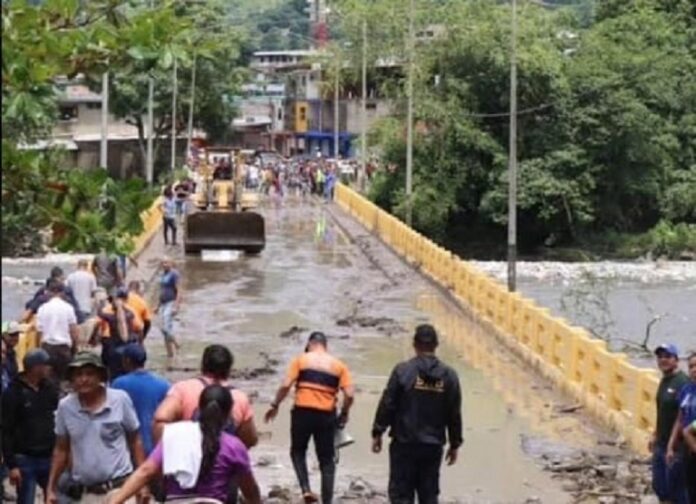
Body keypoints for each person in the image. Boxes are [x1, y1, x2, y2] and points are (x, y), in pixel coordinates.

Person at [109, 385, 263, 504]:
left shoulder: (176, 436)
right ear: (229, 413)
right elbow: (250, 490)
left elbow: (146, 471)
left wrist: (117, 500)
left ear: (199, 409)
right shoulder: (234, 446)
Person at [371, 324, 463, 504]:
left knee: (400, 495)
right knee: (429, 496)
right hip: (432, 446)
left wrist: (378, 432)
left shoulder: (402, 371)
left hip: (404, 444)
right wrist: (454, 444)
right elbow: (454, 413)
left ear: (415, 344)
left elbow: (388, 404)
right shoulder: (449, 376)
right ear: (436, 345)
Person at [264, 332, 354, 504]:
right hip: (326, 415)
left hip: (302, 413)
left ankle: (306, 490)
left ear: (309, 344)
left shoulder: (301, 360)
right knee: (327, 460)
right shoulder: (339, 366)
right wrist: (344, 413)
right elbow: (349, 395)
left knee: (297, 451)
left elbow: (285, 385)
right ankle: (327, 501)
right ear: (325, 346)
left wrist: (275, 405)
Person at [46, 352, 146, 504]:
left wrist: (142, 482)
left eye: (89, 374)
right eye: (78, 375)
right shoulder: (66, 407)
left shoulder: (119, 400)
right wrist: (51, 488)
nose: (84, 379)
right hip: (87, 493)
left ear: (100, 377)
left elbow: (135, 440)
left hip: (121, 488)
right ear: (72, 379)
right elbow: (61, 449)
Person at [153, 344, 258, 449]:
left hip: (189, 459)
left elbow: (160, 419)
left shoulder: (183, 389)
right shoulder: (240, 398)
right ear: (229, 369)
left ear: (203, 365)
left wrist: (168, 453)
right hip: (224, 461)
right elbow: (250, 440)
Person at [2, 349, 59, 504]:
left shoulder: (49, 389)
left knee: (55, 497)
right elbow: (6, 430)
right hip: (25, 459)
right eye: (46, 365)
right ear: (35, 367)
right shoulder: (13, 393)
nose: (49, 369)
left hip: (48, 456)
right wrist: (12, 465)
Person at [111, 343, 170, 455]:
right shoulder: (163, 384)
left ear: (127, 361)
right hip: (155, 445)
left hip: (128, 446)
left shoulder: (118, 384)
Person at [650, 343, 690, 504]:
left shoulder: (683, 383)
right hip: (661, 442)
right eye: (660, 357)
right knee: (660, 486)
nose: (663, 360)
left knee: (676, 489)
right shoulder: (665, 380)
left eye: (667, 356)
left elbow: (683, 417)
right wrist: (654, 434)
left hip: (676, 447)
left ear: (676, 360)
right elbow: (662, 411)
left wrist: (673, 446)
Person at [36, 279, 79, 384]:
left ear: (48, 291)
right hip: (63, 349)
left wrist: (38, 348)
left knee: (48, 381)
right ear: (62, 292)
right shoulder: (68, 308)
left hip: (47, 348)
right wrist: (75, 347)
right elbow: (73, 330)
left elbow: (39, 332)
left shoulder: (42, 308)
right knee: (65, 380)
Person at [667, 352, 696, 503]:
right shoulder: (686, 390)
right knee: (690, 488)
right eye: (691, 366)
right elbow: (679, 419)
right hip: (687, 449)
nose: (694, 369)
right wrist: (670, 446)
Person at [97, 288, 143, 381]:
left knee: (114, 374)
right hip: (128, 347)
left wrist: (102, 302)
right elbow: (139, 329)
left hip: (115, 349)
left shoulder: (111, 317)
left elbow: (100, 313)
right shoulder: (130, 314)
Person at [154, 256, 181, 359]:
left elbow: (179, 291)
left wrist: (176, 306)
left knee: (165, 328)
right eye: (163, 263)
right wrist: (157, 306)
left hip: (171, 302)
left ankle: (177, 344)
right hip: (163, 303)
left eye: (166, 263)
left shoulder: (174, 274)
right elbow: (162, 291)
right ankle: (170, 354)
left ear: (171, 263)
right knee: (164, 330)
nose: (164, 265)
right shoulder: (163, 275)